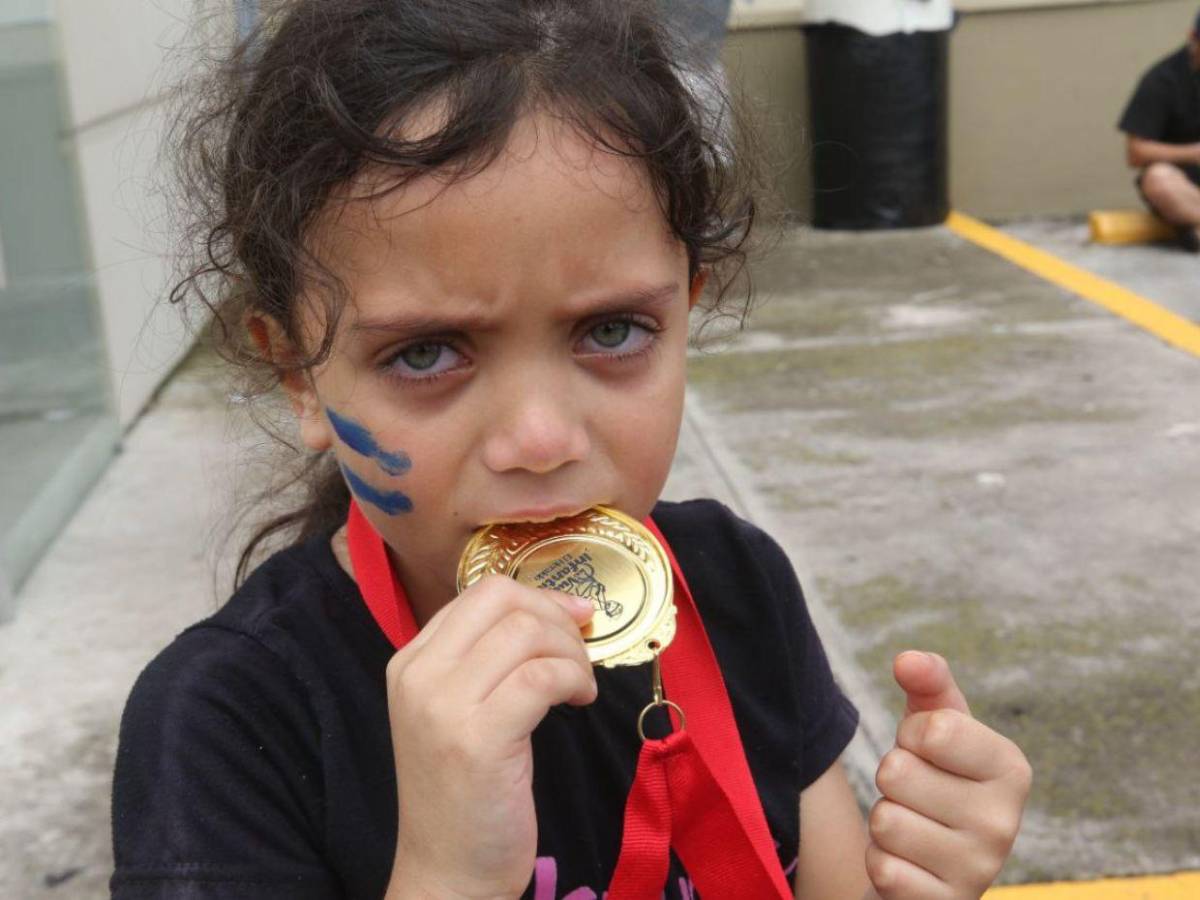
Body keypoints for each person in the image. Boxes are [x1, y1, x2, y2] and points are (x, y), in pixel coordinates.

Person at [111, 2, 1031, 898]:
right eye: (425, 353)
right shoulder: (229, 720)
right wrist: (448, 878)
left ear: (686, 303)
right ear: (299, 373)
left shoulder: (734, 588)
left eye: (614, 331)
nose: (541, 440)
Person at [1118, 8, 1200, 250]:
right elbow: (1136, 153)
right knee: (1158, 179)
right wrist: (1193, 153)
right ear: (1193, 38)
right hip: (1185, 182)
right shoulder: (1162, 80)